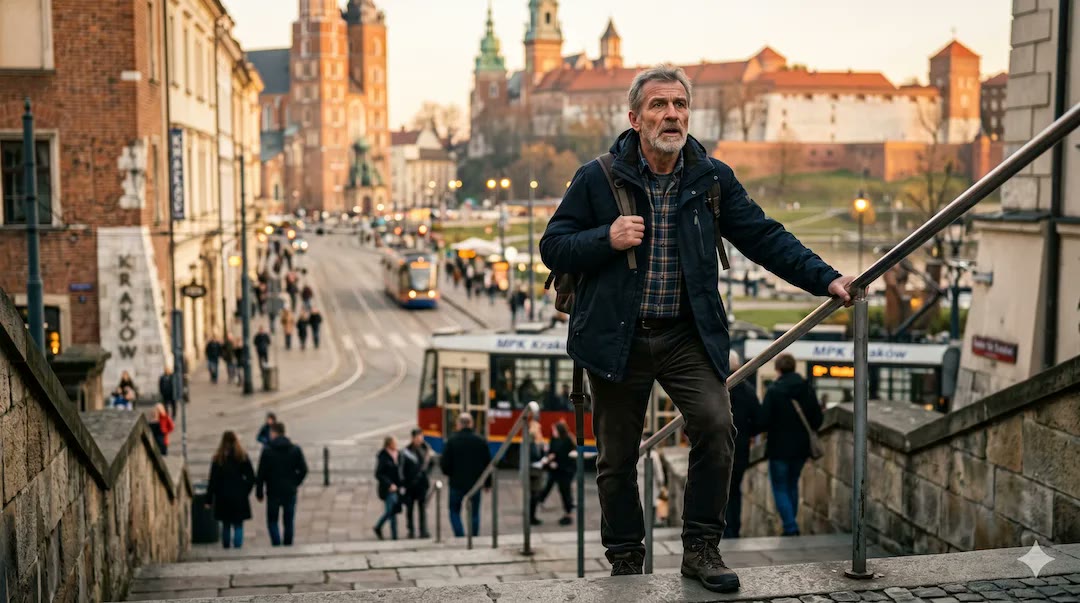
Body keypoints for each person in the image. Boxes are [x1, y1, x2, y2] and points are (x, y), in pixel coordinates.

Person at [538, 64, 853, 591]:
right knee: (616, 458)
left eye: (680, 105)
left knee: (716, 425)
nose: (672, 115)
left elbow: (764, 237)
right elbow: (553, 246)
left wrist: (826, 278)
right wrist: (606, 238)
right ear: (635, 118)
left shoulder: (711, 178)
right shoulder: (598, 177)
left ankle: (702, 548)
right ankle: (625, 559)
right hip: (617, 338)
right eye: (659, 105)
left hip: (686, 335)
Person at [759, 353, 823, 537]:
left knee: (779, 487)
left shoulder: (773, 391)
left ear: (778, 369)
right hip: (801, 448)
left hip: (778, 448)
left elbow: (763, 421)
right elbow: (818, 419)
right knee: (792, 484)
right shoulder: (807, 389)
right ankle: (791, 524)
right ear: (794, 367)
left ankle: (790, 527)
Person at [724, 352, 762, 539]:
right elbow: (760, 421)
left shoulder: (717, 387)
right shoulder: (748, 390)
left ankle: (722, 528)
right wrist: (747, 434)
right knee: (735, 490)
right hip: (740, 448)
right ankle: (734, 529)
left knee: (718, 489)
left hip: (718, 445)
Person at [255, 422, 308, 546]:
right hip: (289, 490)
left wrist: (259, 492)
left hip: (273, 491)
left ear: (274, 433)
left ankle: (276, 543)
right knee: (288, 520)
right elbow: (304, 470)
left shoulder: (267, 451)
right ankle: (288, 544)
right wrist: (295, 482)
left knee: (272, 520)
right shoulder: (295, 449)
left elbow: (261, 474)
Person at [439, 413, 492, 537]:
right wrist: (488, 483)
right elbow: (488, 464)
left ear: (459, 424)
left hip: (456, 483)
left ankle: (460, 535)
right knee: (474, 513)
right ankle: (474, 536)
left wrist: (450, 473)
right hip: (475, 483)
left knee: (454, 511)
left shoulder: (452, 441)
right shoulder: (480, 441)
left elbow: (444, 464)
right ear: (471, 424)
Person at [206, 431, 256, 549]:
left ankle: (226, 549)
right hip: (239, 496)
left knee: (226, 524)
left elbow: (212, 481)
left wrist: (208, 500)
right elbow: (252, 477)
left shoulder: (218, 458)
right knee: (238, 524)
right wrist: (245, 491)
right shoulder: (242, 456)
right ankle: (237, 549)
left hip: (222, 496)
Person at [535, 421, 575, 526]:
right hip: (554, 469)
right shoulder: (554, 439)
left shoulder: (568, 440)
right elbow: (552, 451)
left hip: (565, 470)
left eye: (554, 430)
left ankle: (568, 514)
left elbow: (569, 457)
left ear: (560, 431)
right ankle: (541, 499)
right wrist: (549, 458)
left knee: (565, 491)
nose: (553, 432)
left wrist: (557, 462)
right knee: (549, 485)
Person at [401, 428, 433, 539]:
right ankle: (411, 531)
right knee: (409, 509)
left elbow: (431, 464)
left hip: (422, 484)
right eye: (418, 438)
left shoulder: (426, 449)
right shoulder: (406, 451)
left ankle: (423, 530)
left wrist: (426, 474)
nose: (420, 440)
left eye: (421, 437)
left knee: (422, 508)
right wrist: (403, 483)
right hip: (410, 485)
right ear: (413, 438)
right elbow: (402, 468)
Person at [373, 436, 404, 541]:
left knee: (391, 511)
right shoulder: (383, 456)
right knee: (392, 511)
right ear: (389, 444)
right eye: (394, 443)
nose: (396, 444)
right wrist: (389, 484)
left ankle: (378, 527)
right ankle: (394, 535)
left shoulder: (399, 454)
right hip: (388, 489)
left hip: (397, 487)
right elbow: (378, 474)